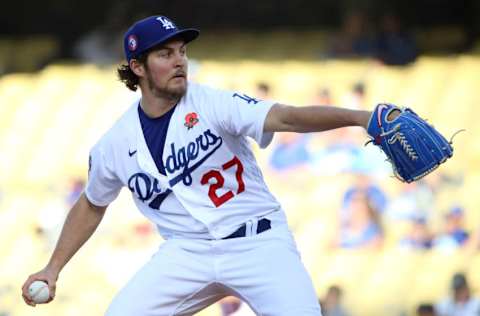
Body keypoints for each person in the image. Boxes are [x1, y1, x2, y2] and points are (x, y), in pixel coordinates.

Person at [22, 15, 375, 315]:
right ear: (137, 67)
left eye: (182, 51)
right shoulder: (114, 145)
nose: (179, 61)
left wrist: (362, 117)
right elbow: (92, 203)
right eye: (165, 53)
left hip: (258, 242)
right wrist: (53, 268)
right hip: (187, 252)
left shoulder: (213, 103)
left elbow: (288, 117)